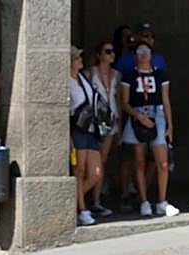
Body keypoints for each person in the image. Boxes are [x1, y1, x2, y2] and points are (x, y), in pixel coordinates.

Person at [118, 44, 179, 218]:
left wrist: (170, 125)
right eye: (140, 53)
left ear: (152, 55)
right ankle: (144, 201)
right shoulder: (129, 76)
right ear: (135, 56)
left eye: (147, 53)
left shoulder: (160, 75)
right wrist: (138, 116)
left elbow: (166, 100)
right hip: (138, 115)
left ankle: (162, 201)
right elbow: (124, 101)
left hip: (157, 114)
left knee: (163, 162)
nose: (143, 56)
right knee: (139, 161)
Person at [69, 47, 103, 227]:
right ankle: (82, 209)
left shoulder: (83, 77)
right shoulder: (66, 81)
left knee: (96, 173)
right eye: (76, 58)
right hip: (77, 129)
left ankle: (69, 204)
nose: (80, 60)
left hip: (91, 129)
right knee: (79, 171)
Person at [88, 40, 122, 218]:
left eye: (113, 52)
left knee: (103, 158)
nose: (111, 55)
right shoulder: (90, 72)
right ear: (99, 55)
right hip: (94, 120)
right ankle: (88, 196)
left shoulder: (116, 74)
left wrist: (120, 124)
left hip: (111, 119)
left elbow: (118, 100)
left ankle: (96, 200)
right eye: (107, 51)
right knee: (92, 158)